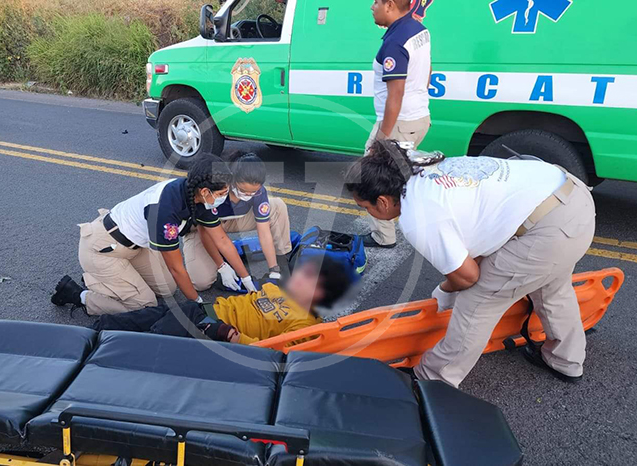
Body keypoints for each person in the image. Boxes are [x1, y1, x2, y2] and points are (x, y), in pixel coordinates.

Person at [345, 140, 596, 387]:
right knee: (551, 288)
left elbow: (468, 277)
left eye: (365, 206)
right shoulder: (420, 169)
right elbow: (478, 249)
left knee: (477, 301)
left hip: (548, 230)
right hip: (572, 199)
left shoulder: (418, 216)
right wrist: (449, 288)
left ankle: (433, 378)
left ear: (383, 201)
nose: (367, 212)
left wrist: (444, 291)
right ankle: (566, 361)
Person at [51, 154, 258, 315]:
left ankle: (113, 282)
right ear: (205, 191)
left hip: (136, 247)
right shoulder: (165, 211)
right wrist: (198, 304)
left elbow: (222, 240)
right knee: (145, 305)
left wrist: (247, 281)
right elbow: (177, 268)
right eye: (222, 194)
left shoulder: (197, 195)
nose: (225, 197)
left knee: (167, 289)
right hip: (104, 249)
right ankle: (84, 295)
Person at [91, 255, 354, 345]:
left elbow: (275, 353)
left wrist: (234, 337)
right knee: (150, 315)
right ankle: (94, 332)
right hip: (205, 310)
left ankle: (115, 353)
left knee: (155, 335)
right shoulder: (282, 291)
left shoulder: (307, 326)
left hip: (215, 329)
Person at [362, 0, 432, 249]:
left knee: (373, 177)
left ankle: (383, 236)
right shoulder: (418, 29)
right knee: (401, 176)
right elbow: (428, 70)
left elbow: (396, 95)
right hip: (419, 117)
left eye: (376, 2)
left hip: (398, 122)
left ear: (390, 5)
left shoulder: (395, 42)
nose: (372, 6)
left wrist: (381, 139)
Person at [183, 152, 292, 291]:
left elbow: (264, 232)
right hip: (203, 228)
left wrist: (274, 269)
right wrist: (222, 266)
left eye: (253, 192)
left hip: (232, 221)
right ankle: (222, 256)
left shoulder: (258, 192)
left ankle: (282, 260)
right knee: (201, 282)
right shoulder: (216, 190)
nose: (248, 195)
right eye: (243, 191)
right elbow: (205, 231)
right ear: (232, 181)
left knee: (277, 206)